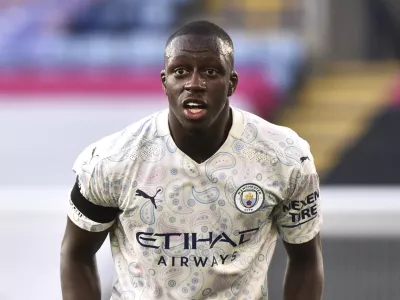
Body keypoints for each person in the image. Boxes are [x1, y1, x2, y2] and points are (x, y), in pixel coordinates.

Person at [60, 20, 324, 300]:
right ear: (165, 82)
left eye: (210, 72)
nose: (194, 84)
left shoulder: (283, 157)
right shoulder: (113, 160)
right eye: (181, 71)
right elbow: (76, 254)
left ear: (231, 83)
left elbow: (306, 261)